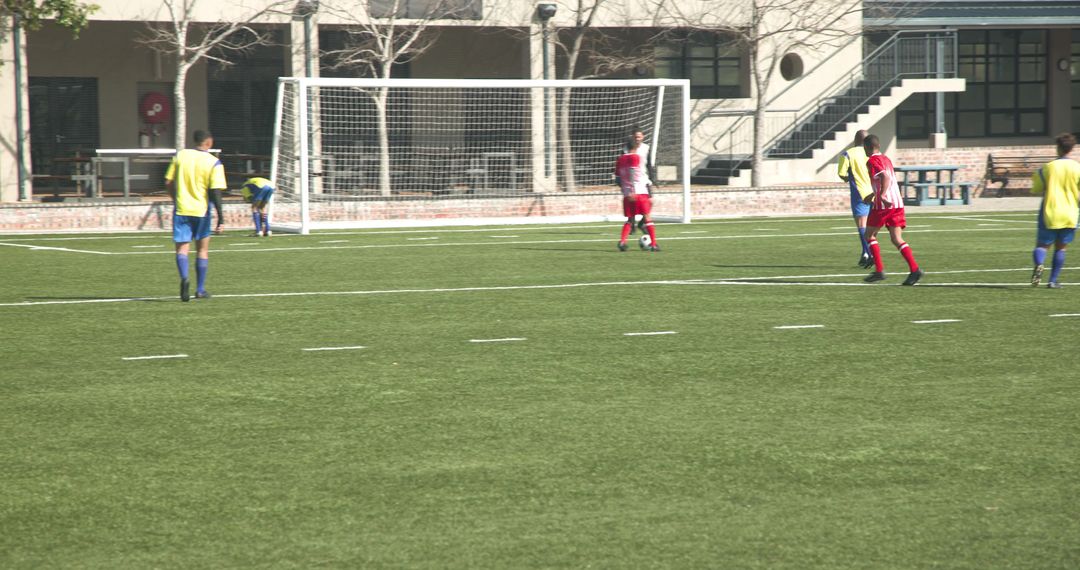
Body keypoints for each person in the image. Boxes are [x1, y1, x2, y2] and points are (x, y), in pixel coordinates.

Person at [165, 129, 227, 301]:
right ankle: (200, 289)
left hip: (181, 209)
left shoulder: (180, 156)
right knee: (202, 249)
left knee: (182, 249)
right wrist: (221, 218)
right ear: (209, 142)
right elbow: (215, 192)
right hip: (201, 211)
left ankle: (184, 278)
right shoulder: (214, 162)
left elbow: (168, 182)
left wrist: (174, 198)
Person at [861, 134, 923, 285]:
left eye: (864, 148)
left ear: (868, 148)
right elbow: (886, 178)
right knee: (896, 238)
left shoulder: (872, 160)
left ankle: (879, 271)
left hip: (884, 205)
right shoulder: (886, 159)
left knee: (869, 235)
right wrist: (872, 195)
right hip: (897, 203)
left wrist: (881, 196)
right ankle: (915, 270)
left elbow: (885, 178)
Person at [1029, 132, 1080, 289]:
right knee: (1061, 247)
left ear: (1057, 148)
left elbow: (1036, 188)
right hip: (1070, 213)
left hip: (1050, 211)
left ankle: (1039, 264)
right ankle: (1052, 281)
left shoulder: (1048, 168)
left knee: (1042, 246)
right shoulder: (1077, 168)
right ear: (1071, 149)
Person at [837, 129, 874, 267]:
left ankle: (869, 253)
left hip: (859, 192)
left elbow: (841, 173)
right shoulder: (873, 153)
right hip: (874, 191)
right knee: (872, 225)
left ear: (855, 140)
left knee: (861, 225)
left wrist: (848, 178)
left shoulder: (848, 154)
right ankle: (865, 253)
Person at [615, 137, 659, 252]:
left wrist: (626, 191)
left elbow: (618, 178)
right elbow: (633, 172)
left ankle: (623, 242)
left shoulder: (619, 159)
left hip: (627, 194)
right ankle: (654, 244)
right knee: (647, 217)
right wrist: (633, 190)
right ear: (636, 147)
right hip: (639, 192)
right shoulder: (635, 157)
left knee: (630, 219)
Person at [621, 127, 655, 234]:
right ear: (632, 137)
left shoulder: (646, 148)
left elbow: (649, 164)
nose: (637, 139)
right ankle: (631, 224)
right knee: (632, 203)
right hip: (630, 183)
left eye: (639, 137)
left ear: (643, 137)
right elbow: (622, 166)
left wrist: (652, 178)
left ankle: (641, 222)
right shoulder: (626, 149)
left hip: (644, 180)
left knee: (650, 201)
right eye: (636, 137)